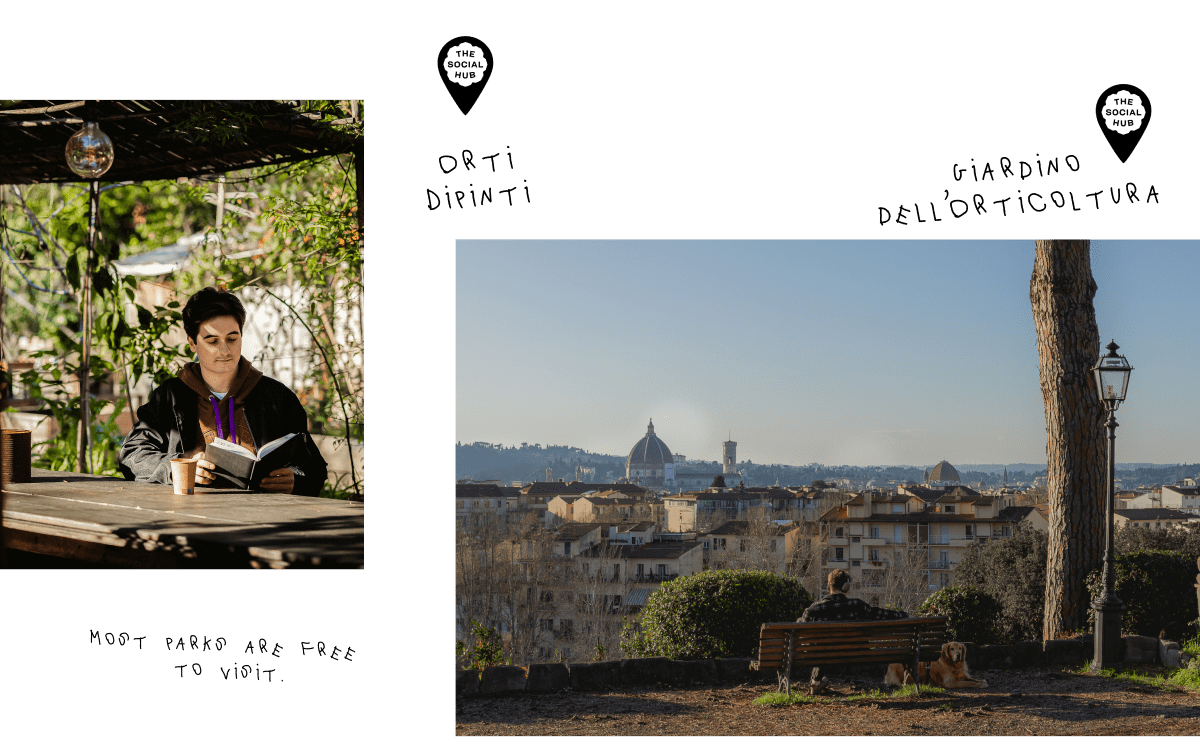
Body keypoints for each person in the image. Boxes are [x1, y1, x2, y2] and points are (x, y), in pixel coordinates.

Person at [119, 286, 328, 496]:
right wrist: (178, 467)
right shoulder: (170, 398)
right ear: (192, 342)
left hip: (263, 520)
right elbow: (133, 455)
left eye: (232, 338)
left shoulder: (277, 397)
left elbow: (314, 469)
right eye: (212, 341)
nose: (225, 350)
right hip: (191, 518)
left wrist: (296, 480)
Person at [797, 569, 909, 694]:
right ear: (846, 587)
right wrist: (903, 614)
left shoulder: (814, 610)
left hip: (822, 653)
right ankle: (816, 683)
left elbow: (800, 630)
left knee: (821, 648)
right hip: (855, 651)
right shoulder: (858, 605)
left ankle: (815, 682)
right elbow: (881, 614)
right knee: (824, 648)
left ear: (829, 585)